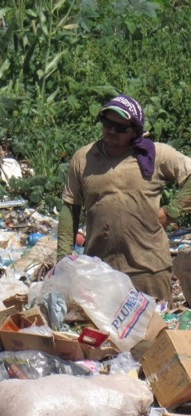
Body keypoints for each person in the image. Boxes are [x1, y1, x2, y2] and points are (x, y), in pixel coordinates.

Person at [57, 94, 191, 304]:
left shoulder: (154, 155)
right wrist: (63, 260)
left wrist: (171, 212)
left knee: (153, 333)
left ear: (134, 130)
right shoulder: (84, 158)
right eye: (108, 123)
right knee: (103, 333)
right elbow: (69, 208)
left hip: (148, 269)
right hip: (100, 271)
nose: (111, 131)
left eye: (120, 128)